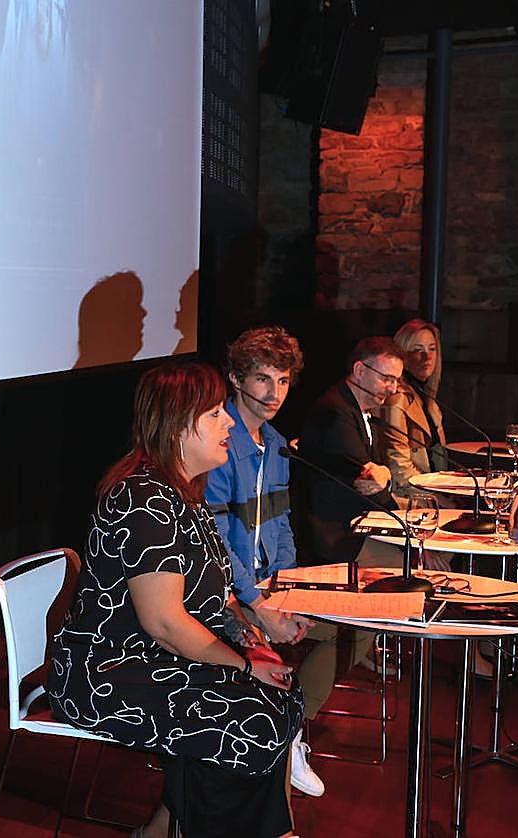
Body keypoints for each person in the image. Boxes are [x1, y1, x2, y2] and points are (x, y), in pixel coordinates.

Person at [48, 362, 303, 838]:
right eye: (213, 414)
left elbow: (212, 592)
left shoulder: (185, 492)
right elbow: (164, 622)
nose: (229, 421)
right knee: (252, 715)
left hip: (159, 659)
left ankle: (171, 830)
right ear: (176, 426)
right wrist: (242, 665)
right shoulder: (144, 498)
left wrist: (247, 635)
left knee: (278, 695)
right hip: (109, 672)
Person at [205, 326, 333, 797]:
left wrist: (288, 588)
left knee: (341, 627)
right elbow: (216, 540)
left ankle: (293, 730)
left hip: (264, 584)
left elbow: (280, 525)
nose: (274, 392)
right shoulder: (218, 443)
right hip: (224, 591)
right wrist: (258, 601)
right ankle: (282, 739)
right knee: (264, 651)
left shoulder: (276, 442)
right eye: (263, 379)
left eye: (282, 381)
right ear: (236, 378)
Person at [298, 336, 402, 566]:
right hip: (336, 536)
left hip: (358, 524)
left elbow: (376, 476)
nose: (393, 388)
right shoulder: (335, 411)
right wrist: (406, 530)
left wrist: (386, 474)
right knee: (415, 565)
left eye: (396, 381)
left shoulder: (356, 409)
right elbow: (369, 481)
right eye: (386, 378)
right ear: (360, 370)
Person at [382, 319, 447, 500]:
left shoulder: (429, 401)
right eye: (418, 350)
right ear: (401, 355)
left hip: (432, 496)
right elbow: (399, 471)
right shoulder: (396, 400)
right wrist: (440, 500)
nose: (427, 358)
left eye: (432, 349)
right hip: (409, 503)